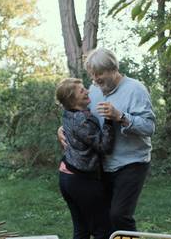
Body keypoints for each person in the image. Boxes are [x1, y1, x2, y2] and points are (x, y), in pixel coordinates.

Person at [58, 48, 156, 233]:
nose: (94, 79)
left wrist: (121, 116)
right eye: (92, 75)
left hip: (131, 163)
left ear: (113, 69)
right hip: (102, 166)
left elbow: (149, 128)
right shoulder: (94, 90)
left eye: (99, 74)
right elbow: (78, 116)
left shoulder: (136, 90)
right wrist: (62, 129)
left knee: (119, 216)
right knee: (103, 219)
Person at [56, 78, 115, 239]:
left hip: (66, 176)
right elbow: (105, 147)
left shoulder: (69, 114)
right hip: (81, 180)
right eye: (82, 91)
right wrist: (110, 119)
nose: (87, 91)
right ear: (72, 99)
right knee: (102, 230)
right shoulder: (82, 120)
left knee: (81, 229)